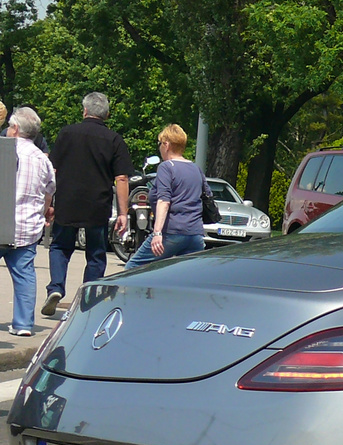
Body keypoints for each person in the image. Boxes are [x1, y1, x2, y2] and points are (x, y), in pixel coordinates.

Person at [43, 92, 134, 316]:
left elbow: (52, 171)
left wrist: (49, 202)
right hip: (97, 204)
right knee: (95, 253)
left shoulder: (66, 133)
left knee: (60, 247)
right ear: (107, 114)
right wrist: (123, 213)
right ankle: (88, 299)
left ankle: (55, 287)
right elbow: (121, 178)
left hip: (67, 200)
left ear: (84, 111)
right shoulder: (114, 140)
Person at [123, 125, 207, 270]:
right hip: (195, 234)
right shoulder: (196, 168)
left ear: (166, 145)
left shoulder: (167, 167)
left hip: (172, 232)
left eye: (160, 143)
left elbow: (164, 201)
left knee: (132, 268)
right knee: (184, 276)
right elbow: (207, 196)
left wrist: (157, 233)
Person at [4, 108, 55, 337]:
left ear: (15, 129)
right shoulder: (41, 159)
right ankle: (23, 324)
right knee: (25, 274)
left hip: (2, 221)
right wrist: (45, 211)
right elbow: (49, 190)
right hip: (27, 226)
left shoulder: (4, 152)